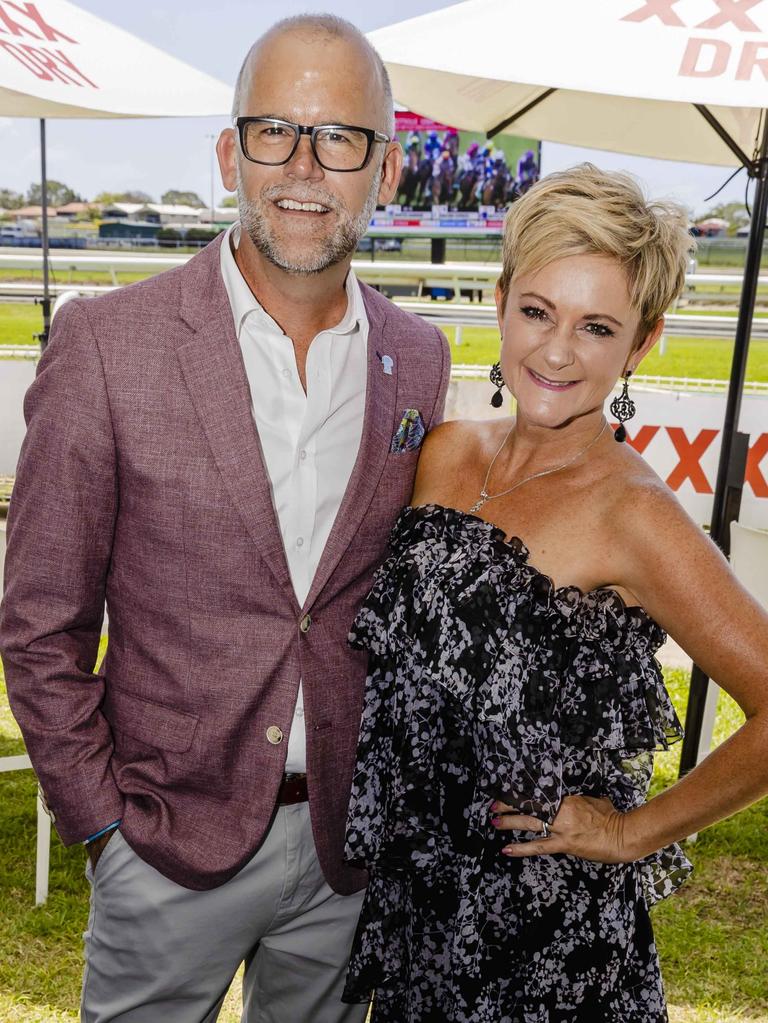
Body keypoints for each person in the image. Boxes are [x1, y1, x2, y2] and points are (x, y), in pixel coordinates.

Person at [0, 14, 449, 1023]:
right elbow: (38, 622)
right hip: (160, 849)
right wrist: (103, 826)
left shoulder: (419, 360)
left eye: (339, 137)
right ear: (227, 155)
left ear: (386, 171)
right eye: (273, 132)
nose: (303, 166)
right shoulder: (109, 346)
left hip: (343, 862)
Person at [341, 164, 768, 1022]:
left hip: (543, 942)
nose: (558, 350)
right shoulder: (447, 449)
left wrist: (630, 831)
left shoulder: (634, 514)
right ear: (501, 301)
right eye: (537, 311)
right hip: (416, 912)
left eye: (597, 326)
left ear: (640, 343)